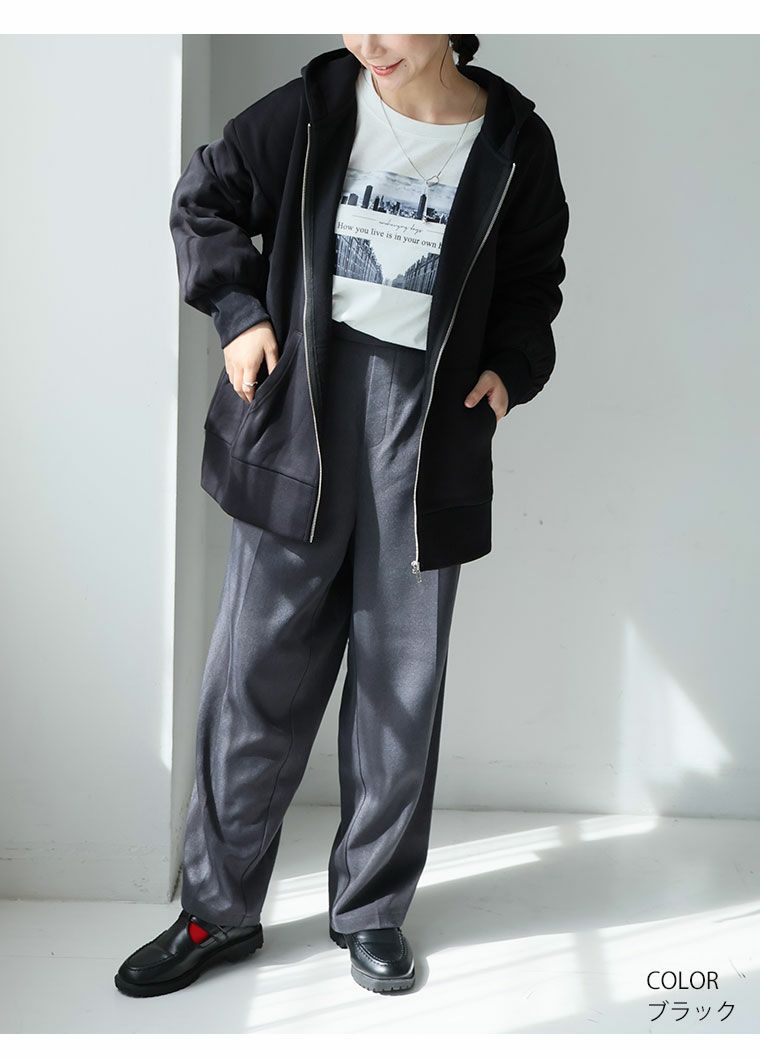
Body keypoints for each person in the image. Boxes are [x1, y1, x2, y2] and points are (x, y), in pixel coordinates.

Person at [114, 33, 569, 998]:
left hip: (427, 436)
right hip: (301, 420)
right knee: (254, 676)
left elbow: (535, 277)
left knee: (401, 688)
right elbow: (204, 198)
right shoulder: (317, 106)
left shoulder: (512, 143)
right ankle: (215, 910)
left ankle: (371, 910)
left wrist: (510, 368)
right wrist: (241, 315)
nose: (369, 41)